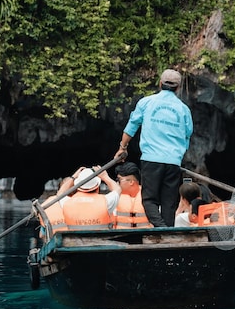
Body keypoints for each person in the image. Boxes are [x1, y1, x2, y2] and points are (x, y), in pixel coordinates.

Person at [115, 68, 193, 227]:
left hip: (152, 158)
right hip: (173, 161)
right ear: (178, 88)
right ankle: (167, 233)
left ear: (160, 84)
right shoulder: (184, 109)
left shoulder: (146, 102)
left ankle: (161, 229)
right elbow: (187, 134)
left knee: (149, 200)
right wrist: (179, 154)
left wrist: (123, 147)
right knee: (169, 203)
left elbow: (132, 126)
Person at [61, 165, 121, 230]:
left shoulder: (66, 203)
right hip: (101, 240)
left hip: (73, 240)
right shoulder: (106, 202)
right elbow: (117, 189)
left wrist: (73, 177)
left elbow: (60, 193)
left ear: (78, 187)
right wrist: (105, 177)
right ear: (97, 187)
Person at [113, 162, 152, 229]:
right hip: (120, 237)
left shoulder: (149, 195)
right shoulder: (115, 196)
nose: (117, 183)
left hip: (145, 236)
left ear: (131, 182)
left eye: (119, 180)